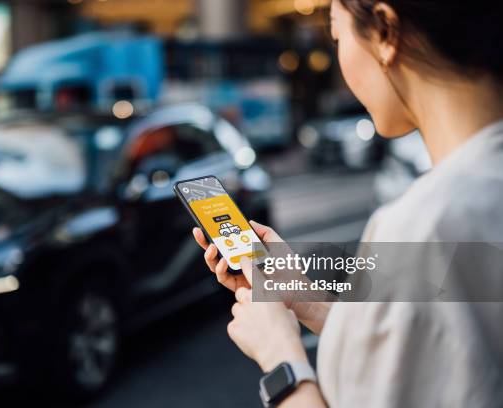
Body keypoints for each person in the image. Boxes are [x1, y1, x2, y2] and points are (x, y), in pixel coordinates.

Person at [192, 0, 503, 406]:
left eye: (337, 35)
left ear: (385, 33)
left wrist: (281, 358)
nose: (340, 59)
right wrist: (307, 301)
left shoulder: (425, 226)